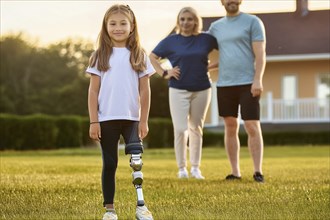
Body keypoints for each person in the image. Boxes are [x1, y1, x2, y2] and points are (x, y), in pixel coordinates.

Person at [87, 5, 155, 220]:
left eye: (123, 23)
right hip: (106, 119)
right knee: (110, 164)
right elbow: (92, 91)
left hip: (132, 119)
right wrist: (93, 121)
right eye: (113, 23)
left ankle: (141, 207)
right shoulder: (99, 56)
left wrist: (143, 120)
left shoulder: (139, 55)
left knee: (137, 163)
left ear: (132, 26)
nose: (118, 28)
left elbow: (145, 90)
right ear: (106, 27)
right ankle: (109, 210)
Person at [149, 7, 218, 179]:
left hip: (202, 88)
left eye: (189, 19)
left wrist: (212, 66)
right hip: (178, 89)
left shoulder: (206, 39)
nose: (186, 22)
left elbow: (227, 50)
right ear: (178, 22)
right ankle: (182, 169)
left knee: (196, 128)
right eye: (182, 19)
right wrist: (165, 73)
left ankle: (195, 168)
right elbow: (152, 57)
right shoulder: (171, 41)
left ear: (196, 21)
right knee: (180, 129)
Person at [208, 0, 266, 183]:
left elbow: (260, 54)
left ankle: (258, 171)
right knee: (230, 126)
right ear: (222, 2)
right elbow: (219, 52)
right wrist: (207, 67)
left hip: (248, 83)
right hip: (225, 84)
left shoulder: (252, 22)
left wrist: (258, 80)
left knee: (252, 126)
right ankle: (235, 172)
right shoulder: (215, 27)